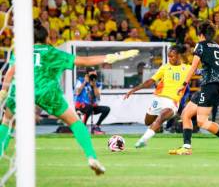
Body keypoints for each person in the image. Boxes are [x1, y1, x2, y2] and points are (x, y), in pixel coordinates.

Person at [0, 22, 139, 175]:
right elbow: (85, 61)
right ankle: (91, 157)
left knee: (7, 123)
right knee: (75, 123)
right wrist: (112, 57)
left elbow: (10, 72)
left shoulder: (20, 51)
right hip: (47, 91)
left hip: (21, 91)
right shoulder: (53, 52)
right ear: (47, 38)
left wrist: (4, 91)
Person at [169, 21, 219, 155]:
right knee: (186, 114)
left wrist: (184, 84)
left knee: (202, 121)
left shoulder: (200, 45)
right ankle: (186, 147)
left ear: (200, 34)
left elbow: (193, 66)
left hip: (209, 87)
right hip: (212, 87)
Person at [124, 45, 190, 148]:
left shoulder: (187, 68)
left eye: (172, 56)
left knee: (161, 117)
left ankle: (143, 140)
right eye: (168, 56)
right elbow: (150, 81)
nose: (170, 58)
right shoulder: (165, 67)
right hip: (158, 99)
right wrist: (134, 90)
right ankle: (157, 127)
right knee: (148, 121)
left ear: (178, 56)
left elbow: (202, 71)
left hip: (172, 102)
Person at [74, 67, 110, 134]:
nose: (93, 75)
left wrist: (94, 86)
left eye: (94, 73)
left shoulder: (98, 84)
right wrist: (85, 82)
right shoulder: (80, 81)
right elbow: (77, 92)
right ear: (87, 75)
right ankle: (82, 127)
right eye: (91, 74)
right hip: (81, 106)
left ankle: (96, 127)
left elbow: (97, 96)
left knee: (106, 109)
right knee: (89, 107)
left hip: (92, 106)